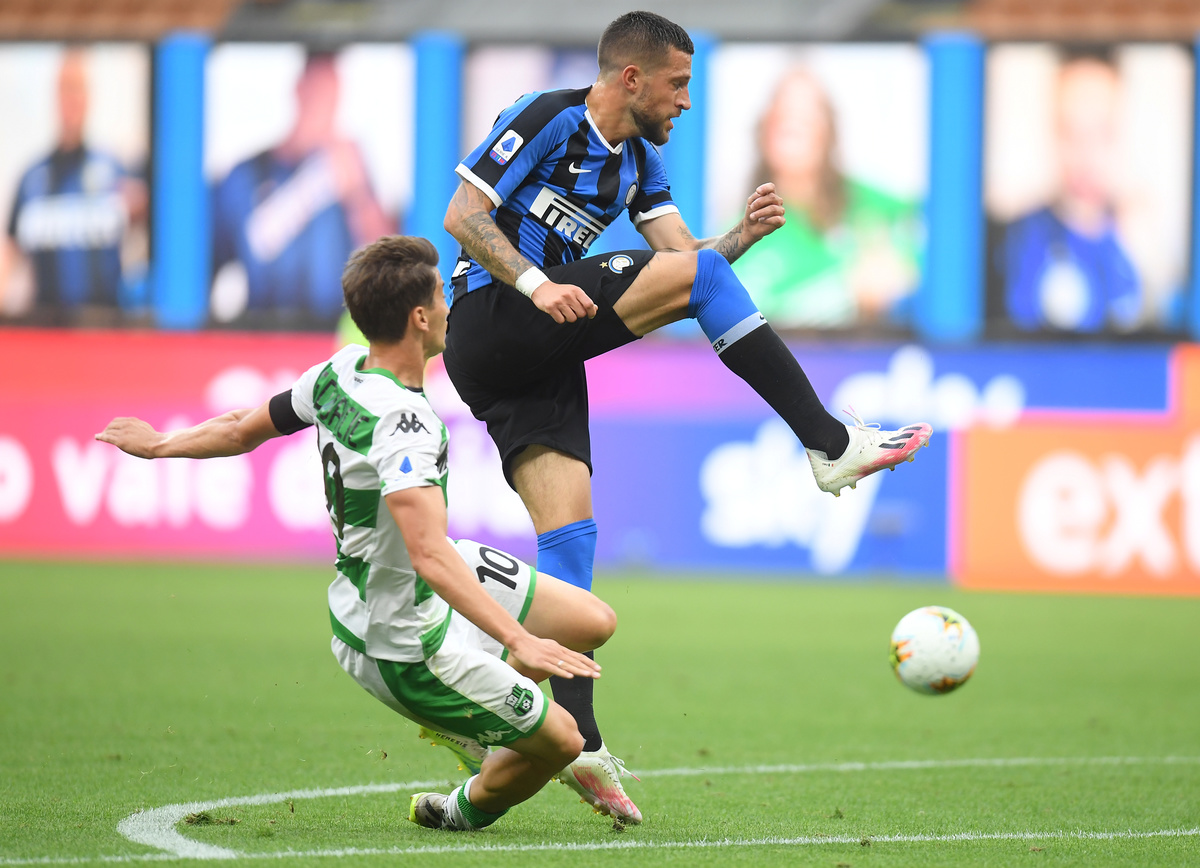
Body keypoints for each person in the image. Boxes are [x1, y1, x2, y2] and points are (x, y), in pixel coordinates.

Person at [441, 10, 932, 823]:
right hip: (493, 318)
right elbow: (462, 214)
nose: (686, 101)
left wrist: (739, 237)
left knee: (570, 542)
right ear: (631, 77)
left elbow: (688, 265)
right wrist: (536, 283)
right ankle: (828, 441)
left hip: (542, 349)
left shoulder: (641, 159)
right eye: (678, 84)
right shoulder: (548, 115)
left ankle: (571, 739)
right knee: (697, 285)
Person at [96, 235, 619, 832]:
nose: (450, 305)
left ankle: (481, 709)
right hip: (400, 640)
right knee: (563, 742)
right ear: (419, 318)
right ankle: (458, 806)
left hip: (403, 578)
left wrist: (162, 444)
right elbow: (428, 556)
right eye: (442, 294)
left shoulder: (338, 372)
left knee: (592, 622)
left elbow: (243, 428)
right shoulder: (407, 426)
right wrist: (519, 641)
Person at [210, 52, 394, 330]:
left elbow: (393, 263)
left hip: (331, 340)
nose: (323, 106)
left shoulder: (350, 168)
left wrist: (358, 195)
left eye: (331, 96)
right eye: (316, 93)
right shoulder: (245, 176)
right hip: (262, 337)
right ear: (298, 89)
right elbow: (203, 264)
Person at [732, 66, 921, 330]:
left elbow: (938, 248)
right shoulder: (740, 234)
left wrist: (900, 270)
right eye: (783, 112)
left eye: (809, 113)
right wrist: (849, 291)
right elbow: (744, 317)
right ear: (764, 129)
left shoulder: (873, 204)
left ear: (829, 129)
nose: (794, 122)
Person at [992, 50, 1141, 334]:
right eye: (1069, 132)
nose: (1085, 154)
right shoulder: (1012, 242)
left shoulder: (1144, 252)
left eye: (1103, 132)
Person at [2, 46, 148, 325]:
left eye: (78, 89)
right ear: (54, 96)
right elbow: (9, 256)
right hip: (47, 330)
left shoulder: (113, 170)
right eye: (65, 89)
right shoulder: (32, 179)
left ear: (89, 97)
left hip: (105, 328)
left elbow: (150, 229)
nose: (72, 100)